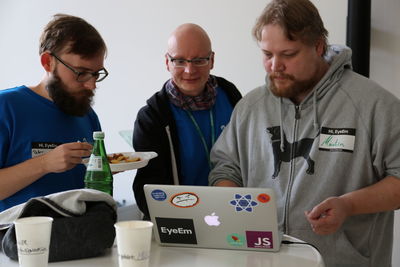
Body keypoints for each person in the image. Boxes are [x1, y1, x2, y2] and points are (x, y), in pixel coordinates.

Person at [208, 1, 400, 266]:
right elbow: (226, 168)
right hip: (261, 259)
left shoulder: (373, 105)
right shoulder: (250, 107)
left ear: (318, 47)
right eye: (267, 54)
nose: (275, 66)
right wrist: (237, 210)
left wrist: (349, 206)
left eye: (288, 54)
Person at [133, 23, 242, 219]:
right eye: (180, 61)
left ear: (212, 60)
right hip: (180, 220)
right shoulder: (151, 117)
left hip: (231, 214)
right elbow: (147, 187)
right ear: (167, 62)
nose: (189, 70)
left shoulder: (232, 97)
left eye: (199, 60)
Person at [0, 14, 108, 211]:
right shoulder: (6, 107)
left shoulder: (87, 115)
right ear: (48, 62)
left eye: (96, 74)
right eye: (81, 73)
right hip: (21, 238)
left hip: (84, 235)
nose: (91, 84)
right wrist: (44, 164)